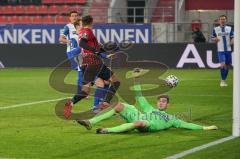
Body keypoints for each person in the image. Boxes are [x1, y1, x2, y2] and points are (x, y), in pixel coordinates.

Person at [77, 68, 218, 134]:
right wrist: (136, 79)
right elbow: (139, 95)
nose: (161, 102)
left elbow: (187, 125)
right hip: (137, 115)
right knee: (118, 105)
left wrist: (205, 128)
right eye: (160, 101)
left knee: (139, 123)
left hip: (147, 124)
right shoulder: (149, 108)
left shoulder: (171, 119)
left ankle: (106, 130)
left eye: (164, 101)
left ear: (168, 105)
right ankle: (91, 122)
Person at [64, 15, 120, 119]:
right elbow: (82, 43)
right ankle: (105, 104)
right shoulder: (87, 31)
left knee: (85, 92)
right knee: (115, 81)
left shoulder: (82, 32)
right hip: (94, 62)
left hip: (86, 64)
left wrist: (109, 49)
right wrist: (95, 51)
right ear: (91, 22)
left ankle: (71, 103)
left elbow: (98, 49)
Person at [211, 15, 234, 87]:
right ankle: (222, 81)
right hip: (220, 50)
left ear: (226, 20)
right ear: (219, 20)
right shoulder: (215, 29)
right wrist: (215, 39)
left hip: (228, 50)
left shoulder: (229, 28)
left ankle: (224, 80)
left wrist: (232, 42)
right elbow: (212, 37)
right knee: (222, 64)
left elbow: (232, 37)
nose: (222, 20)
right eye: (221, 19)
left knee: (227, 66)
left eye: (224, 19)